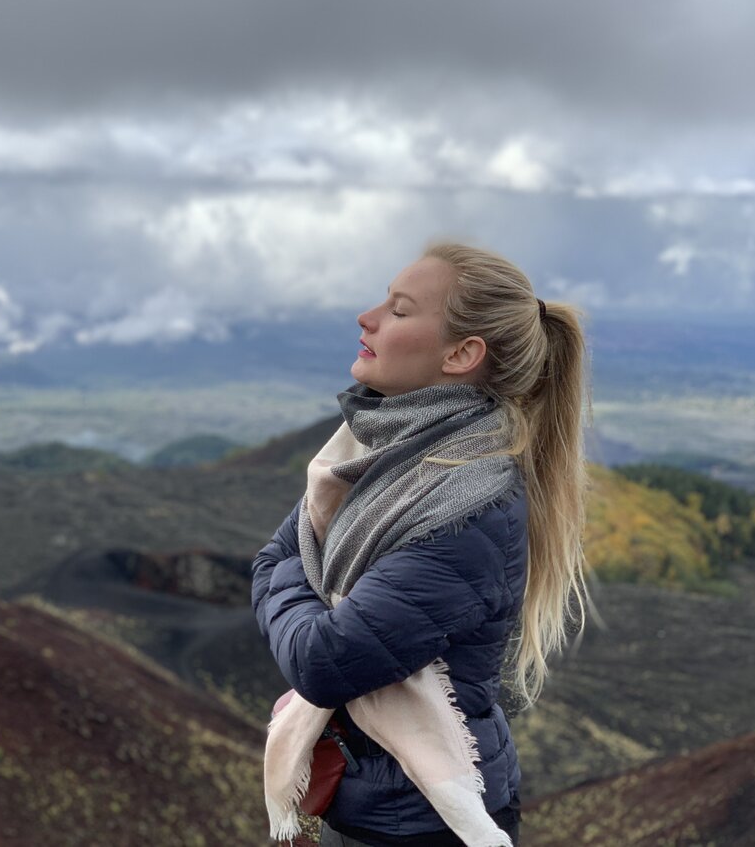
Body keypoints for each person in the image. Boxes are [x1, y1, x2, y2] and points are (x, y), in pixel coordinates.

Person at [251, 242, 592, 847]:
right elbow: (273, 559)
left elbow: (322, 661)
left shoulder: (470, 504)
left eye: (400, 310)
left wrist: (306, 590)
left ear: (461, 354)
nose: (368, 317)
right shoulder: (374, 454)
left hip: (422, 819)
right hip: (372, 800)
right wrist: (308, 589)